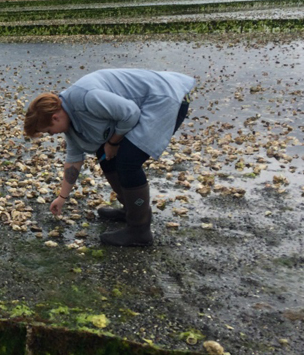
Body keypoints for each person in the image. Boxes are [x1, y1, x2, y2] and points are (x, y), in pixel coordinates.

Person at [23, 68, 195, 247]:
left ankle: (139, 231)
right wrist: (62, 198)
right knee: (106, 157)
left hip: (166, 97)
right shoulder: (70, 121)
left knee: (128, 162)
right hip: (151, 101)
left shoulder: (86, 98)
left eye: (49, 131)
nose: (52, 135)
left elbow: (131, 113)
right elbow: (73, 161)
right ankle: (130, 209)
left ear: (55, 117)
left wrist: (113, 143)